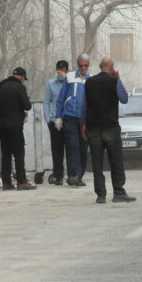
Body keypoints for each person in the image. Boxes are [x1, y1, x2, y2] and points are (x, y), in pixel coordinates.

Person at [82, 57, 135, 204]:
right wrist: (118, 79)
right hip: (110, 127)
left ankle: (101, 195)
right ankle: (118, 192)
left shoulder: (89, 82)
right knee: (115, 160)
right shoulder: (114, 81)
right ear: (112, 67)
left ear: (100, 66)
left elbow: (84, 105)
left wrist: (84, 125)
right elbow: (124, 99)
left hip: (93, 128)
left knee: (97, 162)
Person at [0, 67, 37, 191]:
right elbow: (27, 106)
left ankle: (7, 183)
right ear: (22, 76)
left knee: (6, 154)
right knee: (18, 153)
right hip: (15, 126)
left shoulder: (1, 86)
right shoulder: (19, 87)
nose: (23, 80)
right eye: (23, 78)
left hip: (2, 125)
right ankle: (21, 182)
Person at [54, 54, 92, 186]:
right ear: (77, 65)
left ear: (89, 65)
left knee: (83, 147)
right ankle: (73, 174)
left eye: (85, 65)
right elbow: (60, 98)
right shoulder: (69, 77)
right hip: (69, 116)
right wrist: (58, 117)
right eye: (80, 65)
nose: (83, 67)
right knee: (72, 145)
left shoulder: (92, 80)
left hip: (84, 120)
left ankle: (79, 176)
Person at [43, 60, 69, 185]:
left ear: (67, 70)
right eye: (59, 69)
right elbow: (47, 102)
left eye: (63, 69)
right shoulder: (51, 84)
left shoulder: (70, 83)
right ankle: (58, 176)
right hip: (55, 121)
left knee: (70, 149)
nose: (61, 71)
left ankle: (73, 175)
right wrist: (48, 120)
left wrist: (67, 80)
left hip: (69, 120)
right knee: (57, 150)